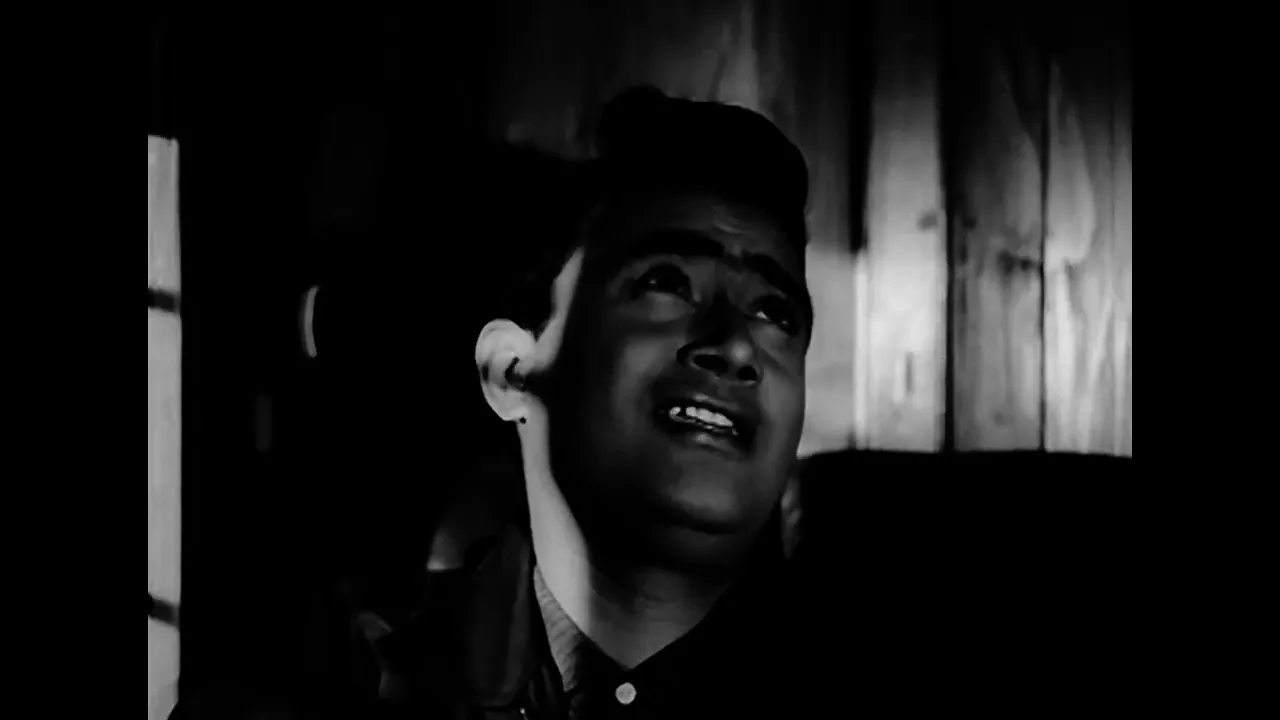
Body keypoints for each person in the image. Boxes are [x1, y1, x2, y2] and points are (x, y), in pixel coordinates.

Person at [403, 86, 817, 719]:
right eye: (665, 282)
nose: (736, 345)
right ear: (511, 371)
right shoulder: (356, 687)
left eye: (774, 312)